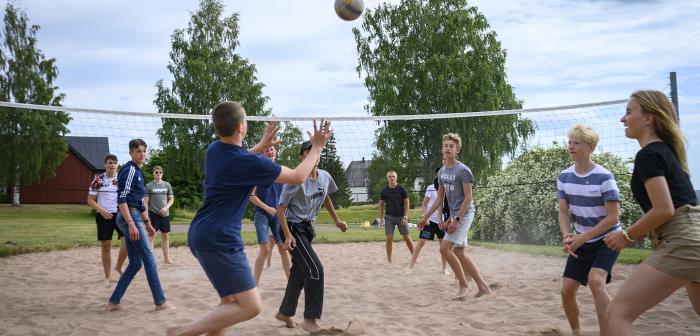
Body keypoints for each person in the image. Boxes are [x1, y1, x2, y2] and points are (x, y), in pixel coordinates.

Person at [167, 101, 331, 336]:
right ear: (241, 127)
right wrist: (316, 148)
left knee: (229, 302)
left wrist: (259, 146)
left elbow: (239, 155)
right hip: (221, 238)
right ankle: (182, 332)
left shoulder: (215, 150)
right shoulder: (252, 163)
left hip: (200, 234)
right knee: (251, 306)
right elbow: (297, 176)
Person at [604, 90, 700, 335]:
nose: (623, 119)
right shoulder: (667, 151)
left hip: (682, 240)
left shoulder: (648, 155)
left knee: (617, 315)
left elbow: (664, 209)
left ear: (648, 119)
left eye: (628, 112)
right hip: (694, 236)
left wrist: (627, 236)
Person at [274, 140, 348, 334]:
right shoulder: (295, 179)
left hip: (307, 228)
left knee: (298, 273)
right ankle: (310, 319)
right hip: (291, 227)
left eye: (315, 151)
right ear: (302, 157)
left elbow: (326, 198)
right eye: (308, 151)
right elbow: (280, 209)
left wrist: (337, 221)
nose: (313, 155)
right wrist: (288, 235)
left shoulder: (324, 177)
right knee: (315, 269)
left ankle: (284, 312)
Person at [557, 124, 622, 336]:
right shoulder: (564, 177)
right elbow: (563, 212)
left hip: (608, 238)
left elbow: (613, 217)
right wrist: (567, 234)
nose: (571, 146)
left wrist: (583, 237)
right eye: (570, 142)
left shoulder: (604, 177)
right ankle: (577, 332)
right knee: (566, 291)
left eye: (577, 143)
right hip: (581, 239)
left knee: (595, 282)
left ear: (591, 147)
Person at [419, 133, 490, 300]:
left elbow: (468, 198)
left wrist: (456, 220)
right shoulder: (442, 172)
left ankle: (464, 285)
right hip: (454, 214)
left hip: (465, 213)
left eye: (451, 146)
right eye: (445, 146)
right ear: (442, 150)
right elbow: (439, 199)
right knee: (459, 252)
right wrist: (425, 217)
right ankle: (483, 287)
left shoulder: (463, 170)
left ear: (457, 150)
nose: (448, 148)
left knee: (444, 248)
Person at [106, 139, 173, 311]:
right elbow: (122, 199)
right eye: (138, 151)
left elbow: (140, 203)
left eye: (144, 151)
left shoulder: (138, 172)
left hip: (134, 215)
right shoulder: (129, 170)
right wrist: (131, 223)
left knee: (135, 263)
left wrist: (147, 223)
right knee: (150, 259)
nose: (142, 154)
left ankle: (114, 302)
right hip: (128, 216)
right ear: (130, 153)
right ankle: (160, 302)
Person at [249, 145, 291, 284]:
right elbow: (251, 195)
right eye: (267, 149)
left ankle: (291, 282)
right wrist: (266, 207)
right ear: (262, 153)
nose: (270, 151)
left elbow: (290, 191)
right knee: (265, 249)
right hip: (261, 213)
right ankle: (254, 285)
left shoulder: (281, 172)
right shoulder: (257, 172)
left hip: (277, 215)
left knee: (283, 248)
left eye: (272, 149)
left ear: (275, 152)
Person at [87, 154, 128, 282]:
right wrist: (102, 210)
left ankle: (118, 266)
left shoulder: (122, 179)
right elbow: (90, 200)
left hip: (120, 214)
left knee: (128, 243)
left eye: (115, 163)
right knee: (106, 245)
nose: (112, 165)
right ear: (105, 164)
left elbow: (127, 198)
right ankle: (108, 277)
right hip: (103, 215)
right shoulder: (98, 180)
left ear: (117, 165)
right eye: (110, 163)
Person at [407, 167, 449, 274]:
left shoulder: (448, 188)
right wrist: (425, 217)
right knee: (421, 243)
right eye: (438, 175)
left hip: (442, 222)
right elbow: (424, 204)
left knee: (443, 247)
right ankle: (411, 266)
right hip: (429, 221)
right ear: (436, 176)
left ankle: (444, 268)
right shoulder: (431, 187)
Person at [378, 170, 414, 264]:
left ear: (396, 178)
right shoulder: (384, 191)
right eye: (390, 177)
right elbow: (381, 205)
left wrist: (406, 216)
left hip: (401, 217)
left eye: (393, 176)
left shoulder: (402, 189)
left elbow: (407, 203)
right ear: (387, 179)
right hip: (389, 217)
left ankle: (414, 257)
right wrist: (381, 218)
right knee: (389, 237)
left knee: (406, 237)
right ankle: (389, 260)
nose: (392, 178)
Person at [144, 166, 175, 264]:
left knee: (165, 236)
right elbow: (145, 201)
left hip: (165, 214)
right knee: (151, 235)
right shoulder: (149, 186)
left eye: (160, 172)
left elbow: (171, 199)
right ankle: (150, 259)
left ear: (162, 173)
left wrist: (165, 208)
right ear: (153, 173)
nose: (158, 173)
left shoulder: (167, 185)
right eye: (156, 172)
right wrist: (146, 215)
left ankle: (166, 258)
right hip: (153, 213)